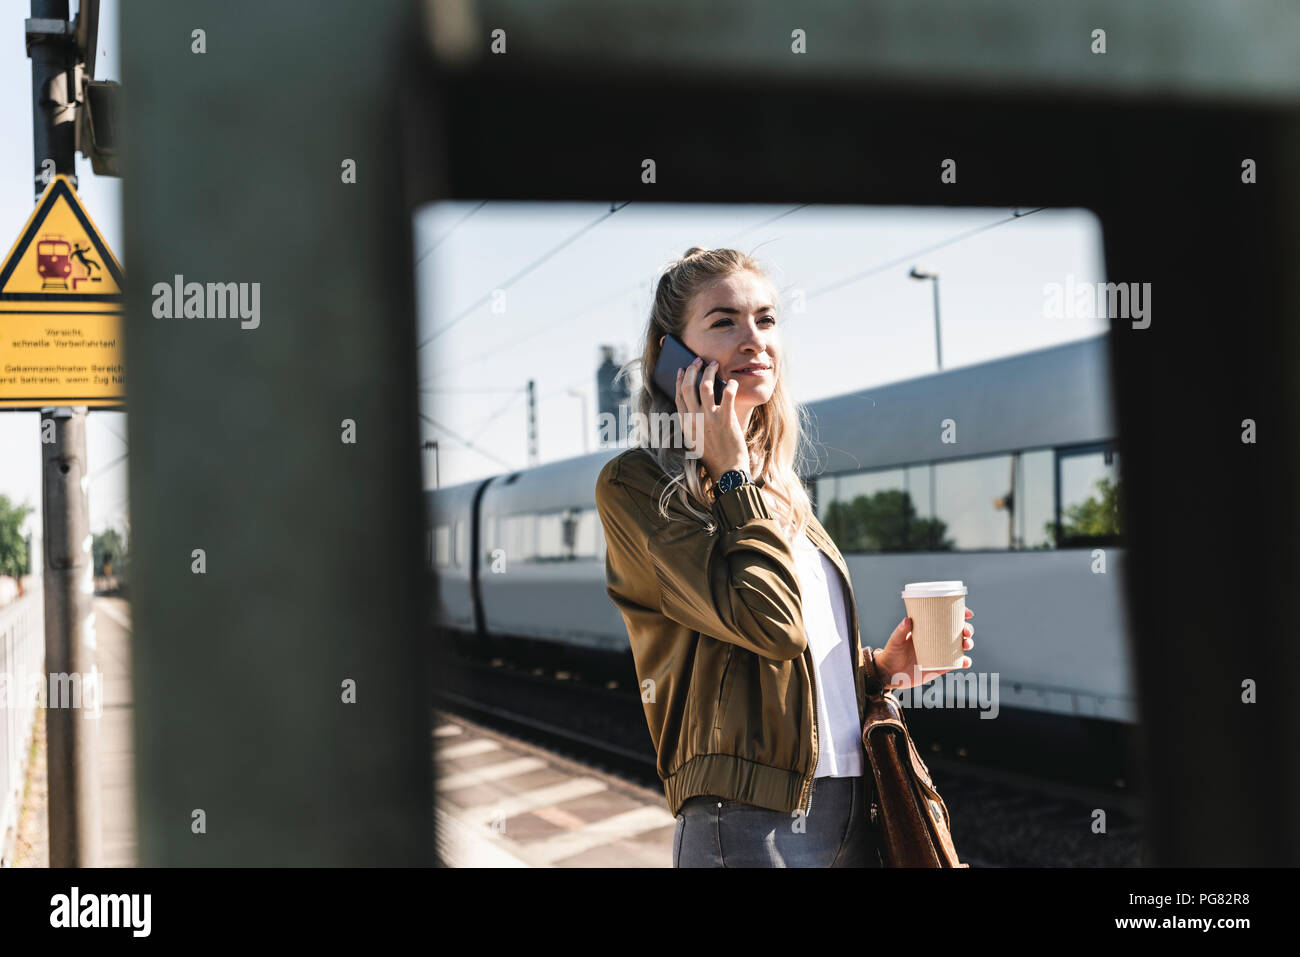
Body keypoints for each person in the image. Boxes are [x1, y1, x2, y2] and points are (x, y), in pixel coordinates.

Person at [594, 247, 974, 867]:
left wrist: (880, 667)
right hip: (744, 818)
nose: (754, 340)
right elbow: (771, 626)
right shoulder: (637, 485)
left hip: (856, 797)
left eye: (766, 320)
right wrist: (733, 476)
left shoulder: (780, 486)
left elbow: (796, 660)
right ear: (672, 356)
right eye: (724, 322)